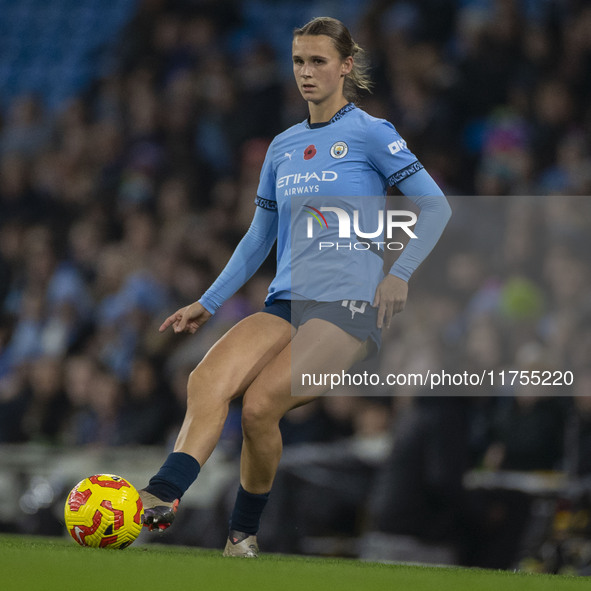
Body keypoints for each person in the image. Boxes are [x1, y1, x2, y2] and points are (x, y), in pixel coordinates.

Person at [138, 16, 451, 557]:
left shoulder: (372, 132)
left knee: (261, 406)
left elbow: (437, 205)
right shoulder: (281, 147)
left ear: (346, 66)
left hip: (349, 304)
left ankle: (242, 533)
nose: (306, 73)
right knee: (207, 376)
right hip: (286, 300)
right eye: (299, 61)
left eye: (319, 61)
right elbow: (259, 237)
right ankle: (162, 496)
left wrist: (399, 274)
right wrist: (207, 302)